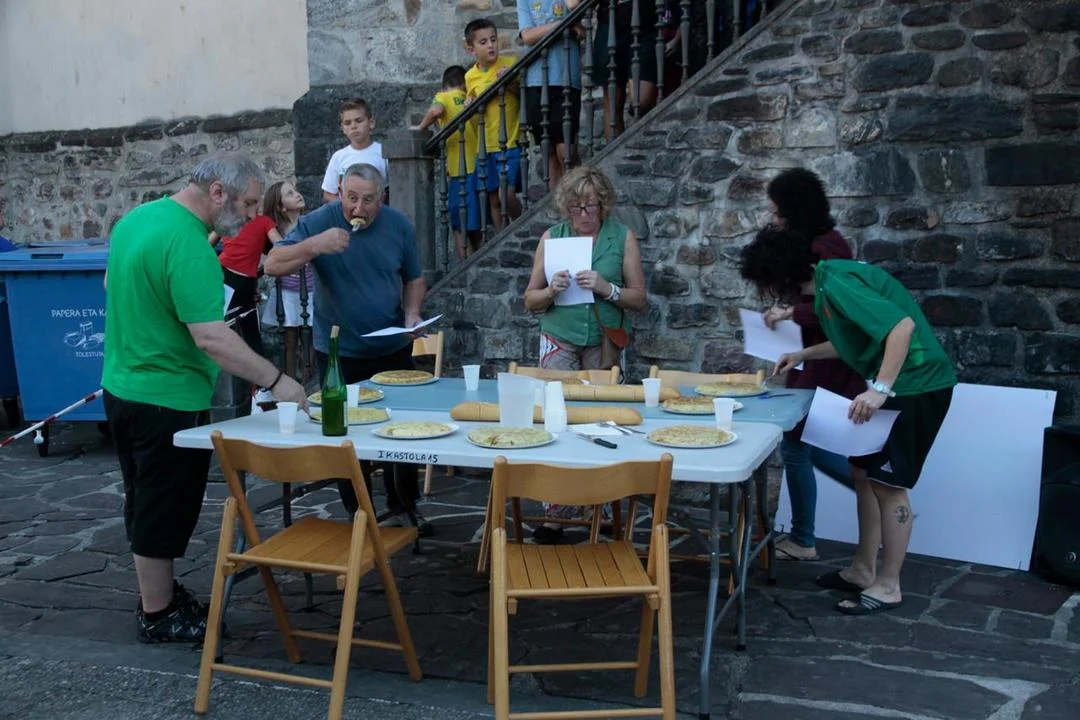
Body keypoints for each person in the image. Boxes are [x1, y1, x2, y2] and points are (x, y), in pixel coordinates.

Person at [102, 153, 307, 643]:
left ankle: (159, 596)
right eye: (249, 203)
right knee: (164, 508)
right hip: (167, 397)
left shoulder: (138, 219)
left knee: (143, 499)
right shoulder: (191, 244)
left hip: (121, 387)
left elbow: (111, 282)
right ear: (218, 192)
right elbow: (211, 337)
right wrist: (278, 380)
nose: (254, 215)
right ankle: (158, 614)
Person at [740, 226, 957, 616]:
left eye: (768, 284)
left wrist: (880, 390)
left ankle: (888, 585)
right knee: (861, 474)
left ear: (781, 276)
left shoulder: (837, 284)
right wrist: (802, 354)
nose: (771, 294)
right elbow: (851, 341)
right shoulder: (826, 285)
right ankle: (862, 569)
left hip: (918, 385)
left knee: (888, 485)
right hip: (901, 383)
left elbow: (901, 327)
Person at [264, 163, 432, 536]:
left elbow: (414, 278)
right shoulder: (319, 221)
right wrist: (314, 246)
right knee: (343, 434)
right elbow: (272, 264)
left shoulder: (398, 225)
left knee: (403, 429)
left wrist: (412, 313)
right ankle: (360, 516)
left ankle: (405, 507)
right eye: (351, 198)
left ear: (381, 197)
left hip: (392, 346)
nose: (358, 208)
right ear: (340, 191)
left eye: (368, 200)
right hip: (340, 351)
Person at [523, 165, 647, 542]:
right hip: (559, 336)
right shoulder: (552, 237)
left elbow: (639, 298)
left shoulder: (621, 237)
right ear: (566, 207)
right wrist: (551, 291)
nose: (584, 214)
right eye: (576, 207)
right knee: (557, 419)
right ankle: (556, 513)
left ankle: (601, 506)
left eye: (591, 206)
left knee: (602, 422)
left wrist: (607, 289)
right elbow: (530, 299)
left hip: (602, 341)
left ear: (603, 204)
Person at [761, 168, 866, 562]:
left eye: (777, 212)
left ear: (794, 212)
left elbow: (836, 310)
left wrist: (790, 314)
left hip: (828, 359)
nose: (773, 219)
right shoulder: (815, 243)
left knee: (799, 441)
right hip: (810, 357)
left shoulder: (827, 248)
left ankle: (805, 538)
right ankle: (873, 484)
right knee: (805, 442)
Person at [411, 65, 483, 259]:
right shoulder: (470, 99)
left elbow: (436, 111)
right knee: (476, 224)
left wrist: (421, 127)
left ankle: (465, 265)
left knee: (458, 225)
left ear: (444, 85)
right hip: (478, 165)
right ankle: (478, 261)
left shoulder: (443, 96)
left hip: (459, 169)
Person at [464, 17, 523, 229]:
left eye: (493, 39)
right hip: (486, 145)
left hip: (510, 141)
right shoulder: (470, 76)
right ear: (471, 49)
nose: (491, 45)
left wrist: (510, 81)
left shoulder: (510, 63)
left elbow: (522, 94)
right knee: (493, 199)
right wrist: (469, 105)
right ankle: (501, 237)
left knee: (506, 193)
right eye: (483, 42)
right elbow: (474, 109)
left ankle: (521, 224)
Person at [517, 0, 582, 189]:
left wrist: (569, 25)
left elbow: (577, 15)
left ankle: (577, 193)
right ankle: (558, 201)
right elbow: (528, 36)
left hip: (566, 77)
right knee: (549, 151)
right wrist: (563, 24)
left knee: (566, 150)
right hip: (535, 79)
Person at [258, 181, 314, 382]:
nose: (297, 194)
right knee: (289, 340)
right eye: (290, 194)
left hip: (310, 289)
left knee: (310, 340)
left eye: (295, 191)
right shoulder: (277, 231)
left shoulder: (309, 224)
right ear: (281, 207)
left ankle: (308, 381)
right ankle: (289, 382)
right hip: (288, 292)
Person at [592, 0, 661, 139]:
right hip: (610, 20)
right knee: (613, 102)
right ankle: (615, 151)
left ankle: (642, 143)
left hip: (644, 18)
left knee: (641, 101)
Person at [321, 98, 389, 204]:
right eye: (347, 123)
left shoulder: (384, 153)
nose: (353, 126)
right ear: (343, 128)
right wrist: (347, 206)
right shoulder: (338, 157)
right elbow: (328, 193)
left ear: (371, 123)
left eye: (359, 121)